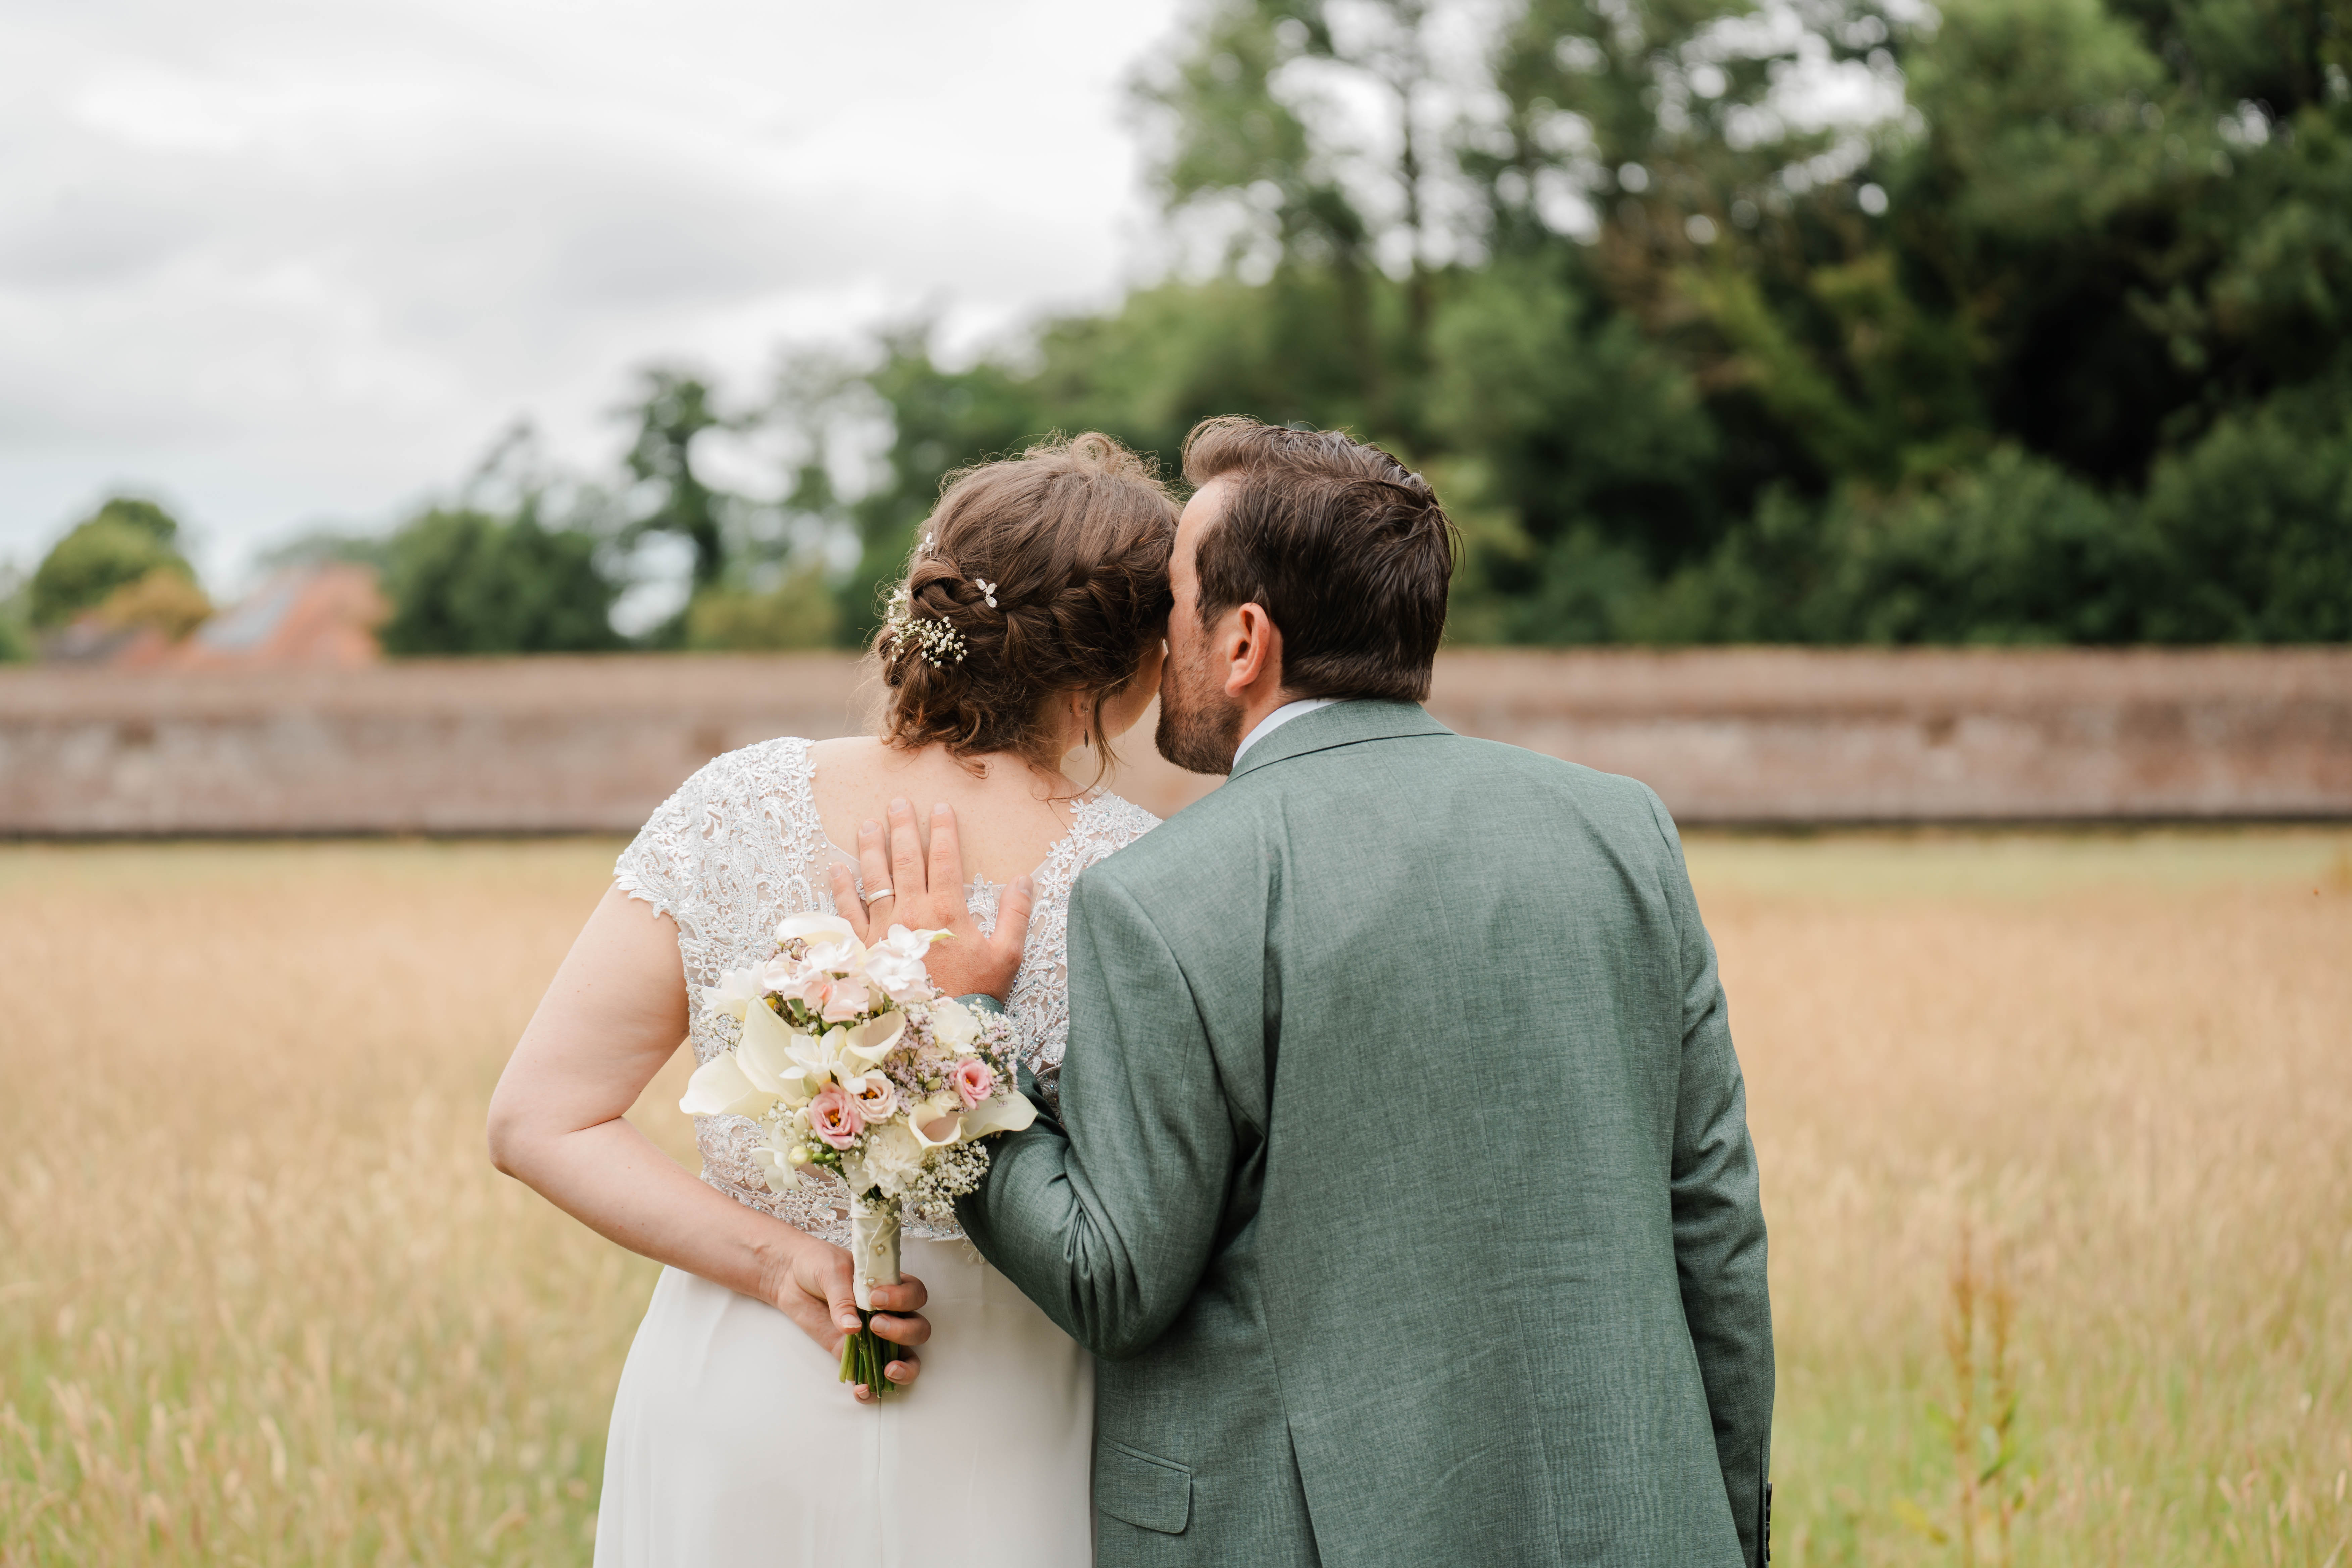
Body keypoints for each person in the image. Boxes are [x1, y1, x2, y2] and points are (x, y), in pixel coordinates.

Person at [893, 416, 1775, 1567]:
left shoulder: (1164, 896)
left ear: (1245, 641)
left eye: (1173, 602)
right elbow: (1714, 1224)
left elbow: (1111, 1280)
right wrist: (1727, 1525)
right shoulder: (1623, 830)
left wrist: (953, 1030)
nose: (1157, 637)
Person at [484, 432, 1176, 1566]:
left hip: (745, 1373)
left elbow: (537, 1120)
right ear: (1130, 660)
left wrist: (774, 1263)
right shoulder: (1142, 871)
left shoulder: (735, 804)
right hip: (1003, 1401)